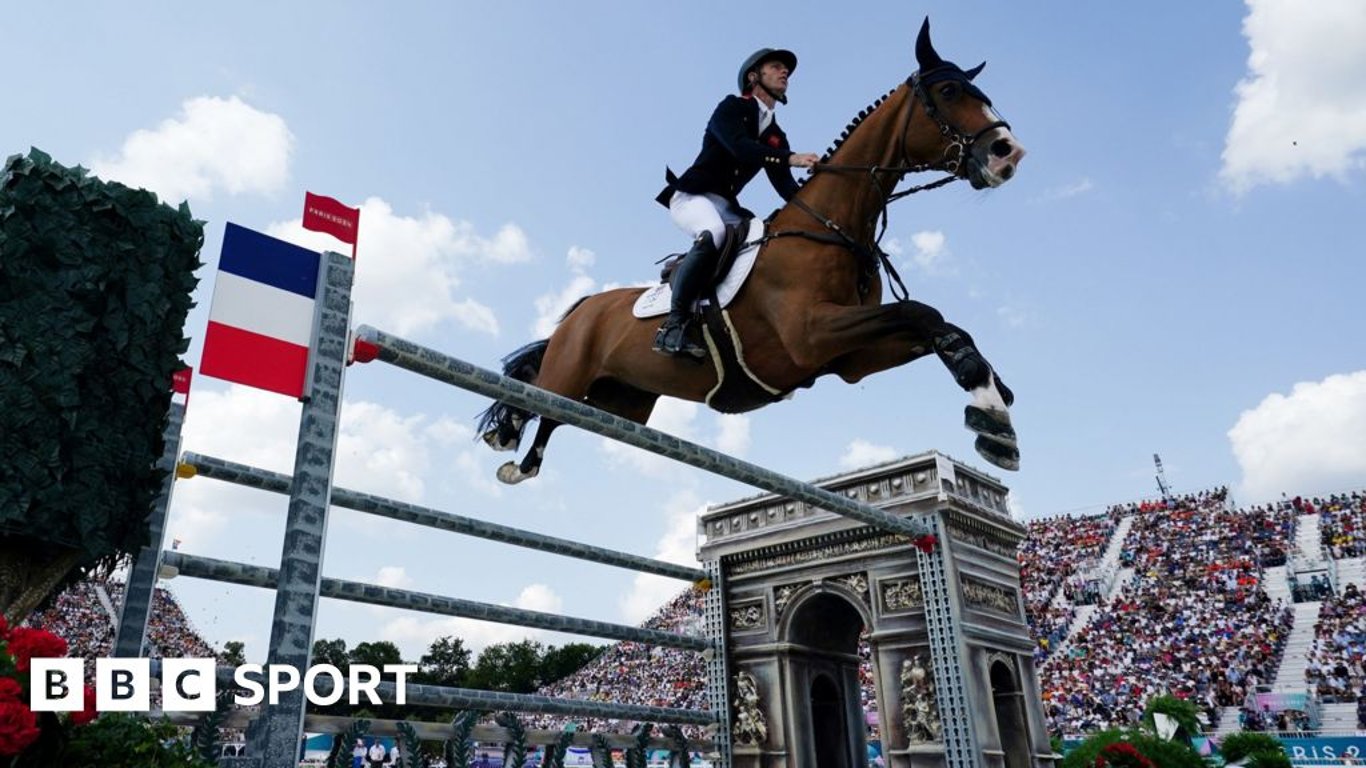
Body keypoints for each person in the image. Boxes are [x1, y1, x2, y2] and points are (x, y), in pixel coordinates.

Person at [653, 47, 820, 358]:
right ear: (754, 77)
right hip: (693, 196)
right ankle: (672, 326)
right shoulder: (730, 107)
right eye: (776, 67)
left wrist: (822, 198)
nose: (785, 73)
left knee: (761, 241)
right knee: (714, 234)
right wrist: (792, 157)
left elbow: (785, 186)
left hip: (727, 205)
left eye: (786, 69)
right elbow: (740, 148)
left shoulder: (775, 135)